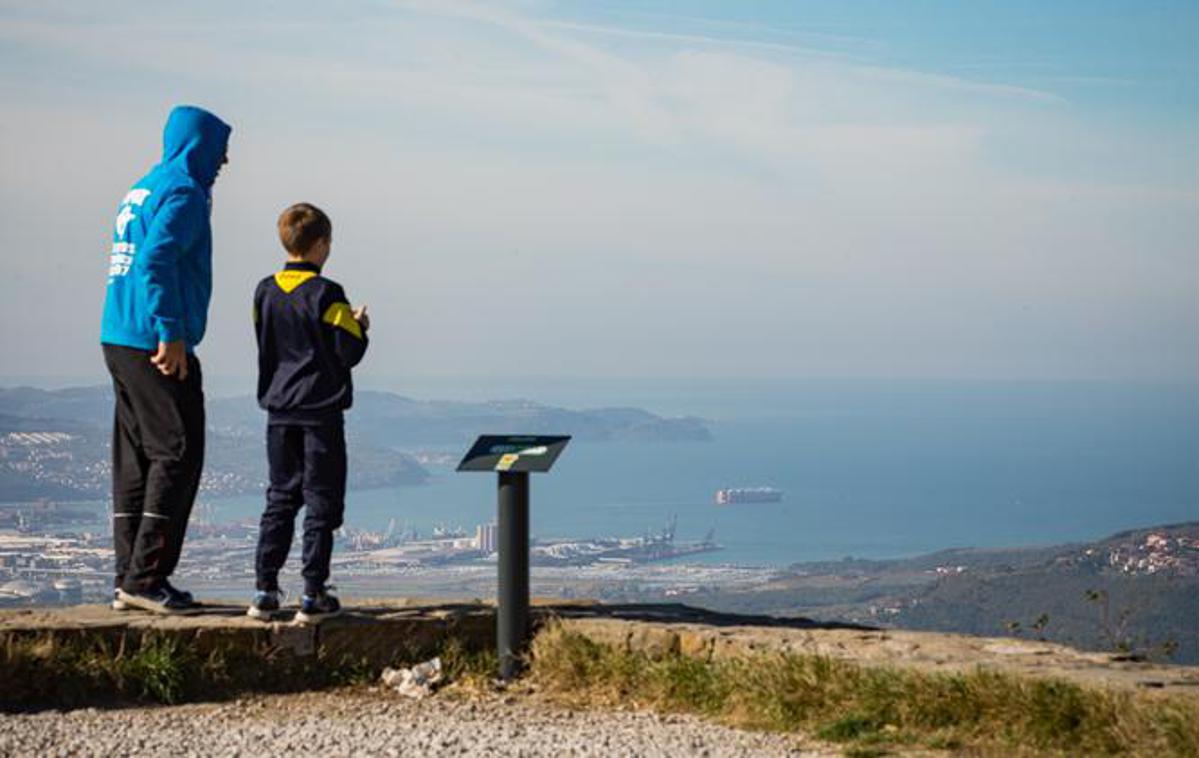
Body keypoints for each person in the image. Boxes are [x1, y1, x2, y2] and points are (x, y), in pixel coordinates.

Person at [101, 105, 231, 614]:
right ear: (198, 145)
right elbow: (156, 261)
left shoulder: (143, 187)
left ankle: (129, 576)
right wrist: (171, 333)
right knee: (177, 451)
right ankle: (147, 577)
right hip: (154, 339)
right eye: (219, 148)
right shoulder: (184, 192)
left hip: (119, 334)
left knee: (135, 457)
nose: (225, 160)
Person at [248, 203, 369, 623]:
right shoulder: (327, 293)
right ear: (321, 245)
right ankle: (313, 592)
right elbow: (348, 350)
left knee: (280, 496)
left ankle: (265, 589)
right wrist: (361, 326)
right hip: (320, 412)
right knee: (321, 500)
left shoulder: (264, 291)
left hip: (278, 410)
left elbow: (264, 339)